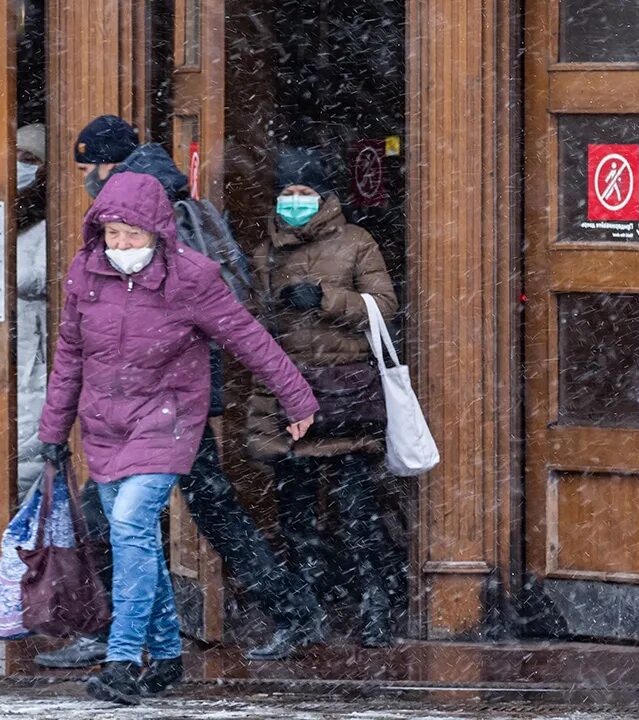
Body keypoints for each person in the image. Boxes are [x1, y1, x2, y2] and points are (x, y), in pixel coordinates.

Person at [35, 116, 325, 670]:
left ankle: (118, 638)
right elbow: (78, 347)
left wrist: (293, 395)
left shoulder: (164, 221)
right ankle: (263, 616)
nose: (85, 182)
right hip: (140, 406)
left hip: (171, 406)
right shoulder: (133, 228)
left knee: (123, 520)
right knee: (187, 514)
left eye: (86, 169)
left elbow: (229, 323)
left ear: (108, 167)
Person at [246, 147, 399, 647]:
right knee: (296, 518)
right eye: (287, 193)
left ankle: (375, 608)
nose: (294, 202)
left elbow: (385, 306)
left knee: (358, 514)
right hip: (288, 401)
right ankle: (307, 612)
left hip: (343, 398)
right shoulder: (264, 251)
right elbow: (251, 325)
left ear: (325, 197)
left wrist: (328, 299)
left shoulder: (356, 243)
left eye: (304, 193)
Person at [15, 123, 50, 492]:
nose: (18, 165)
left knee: (28, 453)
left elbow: (46, 277)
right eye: (15, 156)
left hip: (33, 358)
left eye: (29, 158)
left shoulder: (48, 222)